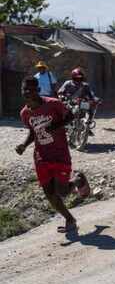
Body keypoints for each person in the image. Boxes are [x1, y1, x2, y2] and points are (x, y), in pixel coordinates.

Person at [16, 77, 91, 234]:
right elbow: (33, 131)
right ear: (22, 91)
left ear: (38, 90)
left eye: (32, 89)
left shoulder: (53, 103)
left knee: (62, 192)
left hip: (60, 154)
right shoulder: (24, 113)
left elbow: (70, 116)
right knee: (49, 194)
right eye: (26, 89)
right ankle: (70, 220)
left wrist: (55, 126)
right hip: (41, 156)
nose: (29, 92)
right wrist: (24, 145)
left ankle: (78, 178)